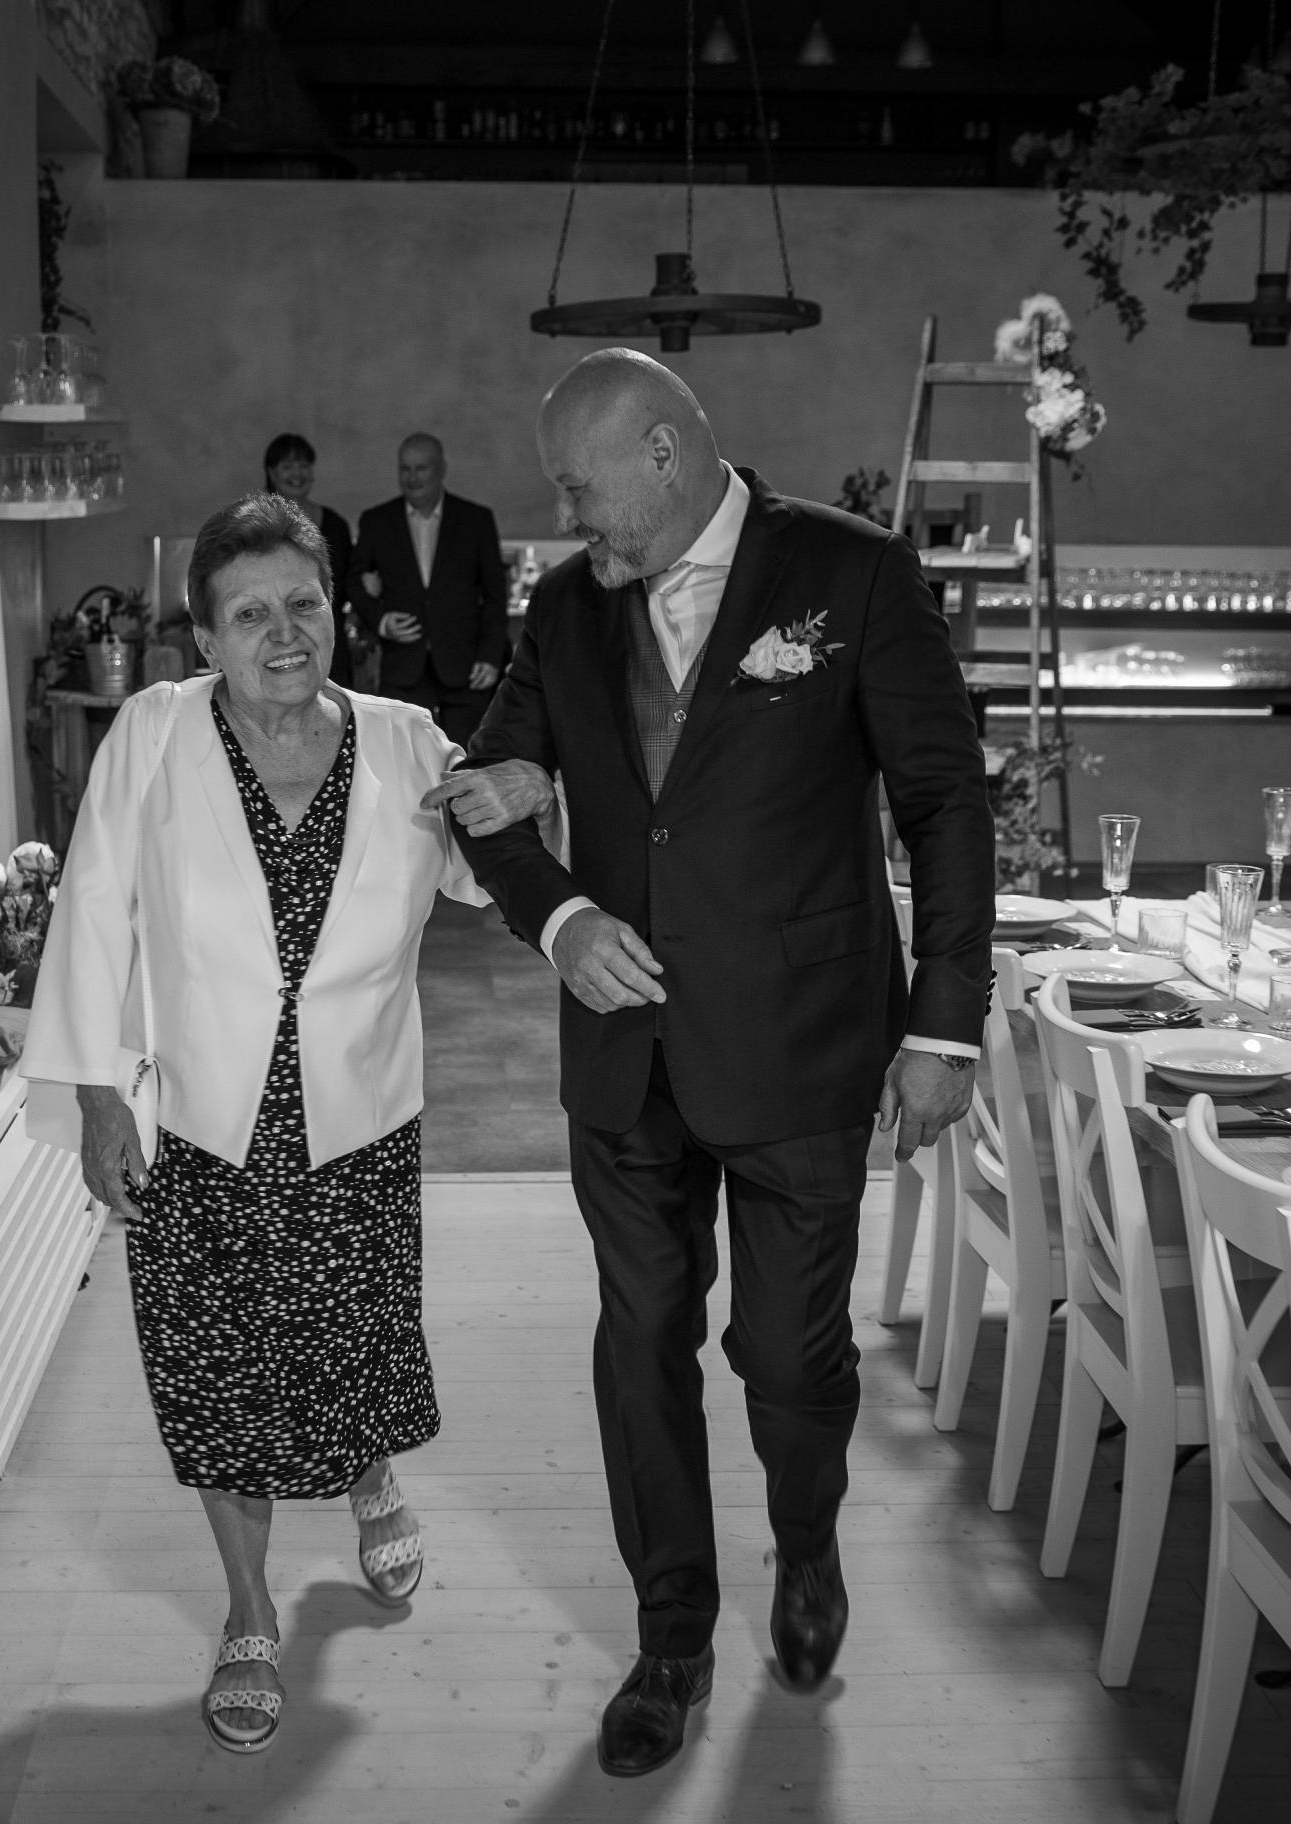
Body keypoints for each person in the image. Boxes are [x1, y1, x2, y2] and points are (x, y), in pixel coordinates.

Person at [425, 349, 995, 1778]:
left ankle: (806, 1545)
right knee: (642, 1346)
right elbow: (480, 797)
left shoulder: (852, 574)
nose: (566, 519)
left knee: (790, 1356)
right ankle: (671, 1637)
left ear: (665, 451)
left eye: (579, 487)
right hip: (624, 1056)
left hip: (802, 1043)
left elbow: (944, 802)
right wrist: (559, 919)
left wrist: (943, 1025)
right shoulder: (565, 610)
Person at [23, 493, 513, 1754]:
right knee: (218, 1377)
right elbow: (93, 911)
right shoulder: (153, 734)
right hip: (197, 1122)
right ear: (205, 638)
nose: (282, 633)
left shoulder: (409, 743)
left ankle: (370, 1473)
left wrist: (537, 802)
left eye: (304, 603)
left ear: (337, 611)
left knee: (353, 1348)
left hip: (359, 1119)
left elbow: (492, 875)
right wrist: (94, 1094)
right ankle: (248, 1610)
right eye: (249, 615)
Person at [352, 433, 508, 744]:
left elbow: (495, 594)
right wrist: (382, 621)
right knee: (400, 757)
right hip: (403, 668)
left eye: (421, 468)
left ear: (441, 469)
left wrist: (490, 656)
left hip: (465, 667)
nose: (412, 478)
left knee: (466, 759)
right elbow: (352, 581)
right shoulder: (376, 520)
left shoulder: (476, 520)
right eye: (405, 469)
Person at [261, 431, 359, 686]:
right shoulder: (255, 524)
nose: (297, 473)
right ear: (271, 472)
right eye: (288, 466)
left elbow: (348, 582)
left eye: (303, 465)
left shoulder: (335, 524)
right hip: (275, 635)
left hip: (328, 634)